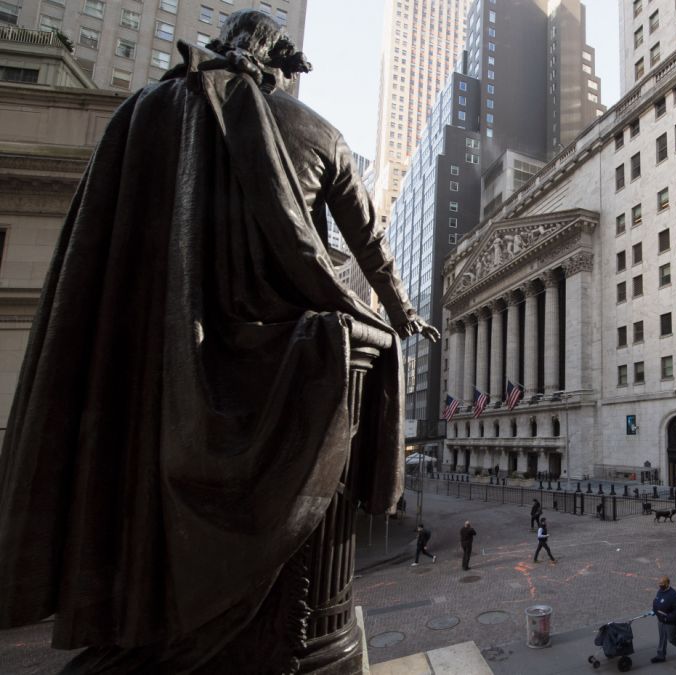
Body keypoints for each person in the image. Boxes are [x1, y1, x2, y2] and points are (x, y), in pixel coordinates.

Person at [0, 10, 439, 672]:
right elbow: (367, 242)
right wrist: (402, 314)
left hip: (166, 356)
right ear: (280, 63)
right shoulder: (318, 131)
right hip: (294, 355)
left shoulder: (148, 112)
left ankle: (149, 614)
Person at [650, 576, 676, 663]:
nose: (660, 585)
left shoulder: (674, 595)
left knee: (672, 639)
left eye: (662, 584)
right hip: (661, 619)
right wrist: (654, 610)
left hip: (671, 622)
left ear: (667, 583)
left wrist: (666, 618)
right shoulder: (660, 591)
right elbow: (656, 601)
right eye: (659, 583)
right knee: (662, 637)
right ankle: (661, 655)